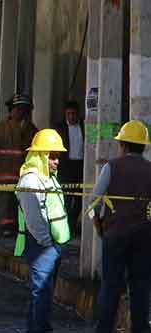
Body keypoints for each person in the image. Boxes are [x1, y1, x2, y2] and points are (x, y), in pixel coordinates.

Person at [89, 120, 151, 333]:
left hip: (114, 235)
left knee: (111, 286)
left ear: (123, 145)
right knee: (141, 287)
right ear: (143, 146)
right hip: (144, 236)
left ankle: (104, 329)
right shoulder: (150, 169)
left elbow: (94, 200)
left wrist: (97, 222)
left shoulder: (111, 166)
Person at [14, 129, 71, 333]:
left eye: (58, 157)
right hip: (42, 245)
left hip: (51, 245)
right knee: (42, 293)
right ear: (41, 155)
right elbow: (34, 218)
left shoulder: (47, 177)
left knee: (43, 293)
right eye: (53, 157)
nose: (57, 161)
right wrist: (47, 243)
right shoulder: (31, 180)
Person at [0, 93, 38, 236]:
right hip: (5, 174)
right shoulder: (0, 128)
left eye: (24, 110)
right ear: (11, 110)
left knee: (24, 204)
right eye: (18, 109)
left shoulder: (32, 130)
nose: (21, 112)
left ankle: (22, 227)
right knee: (6, 204)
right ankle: (7, 227)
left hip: (24, 176)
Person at [53, 100, 84, 229]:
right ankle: (64, 224)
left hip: (81, 167)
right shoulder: (59, 128)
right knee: (65, 198)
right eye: (69, 114)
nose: (71, 117)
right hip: (65, 168)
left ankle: (71, 223)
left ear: (78, 114)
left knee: (79, 199)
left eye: (74, 114)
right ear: (65, 114)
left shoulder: (84, 126)